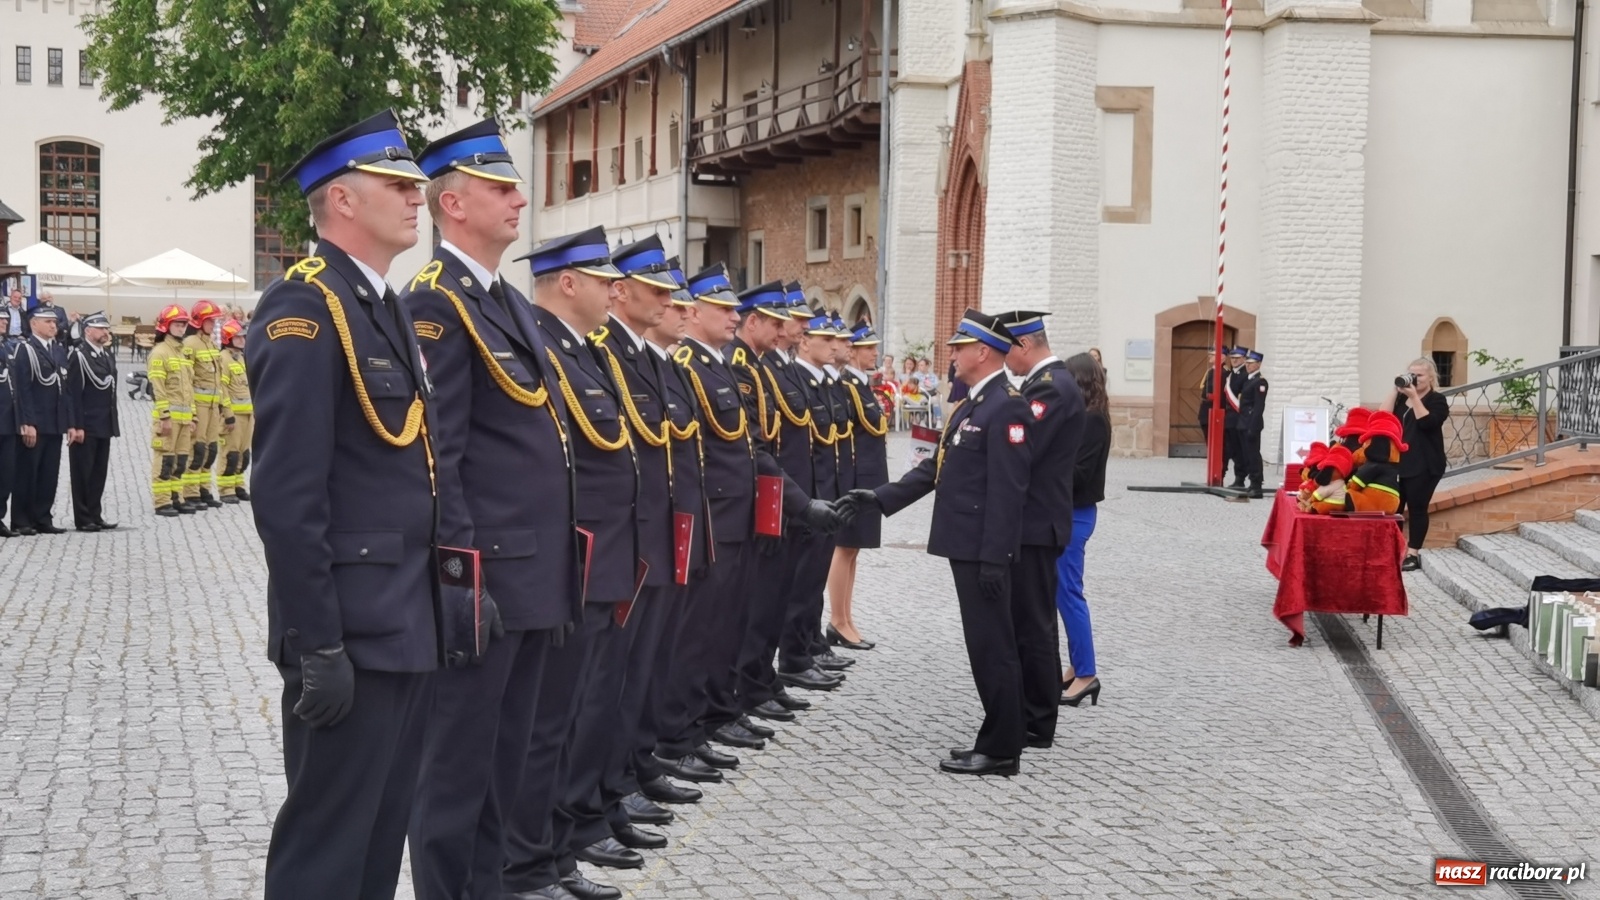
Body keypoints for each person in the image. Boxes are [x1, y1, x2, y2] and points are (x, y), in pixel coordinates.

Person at [249, 108, 446, 900]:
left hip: (404, 622)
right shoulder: (304, 309)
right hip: (350, 635)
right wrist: (318, 644)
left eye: (416, 185)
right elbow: (287, 496)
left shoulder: (384, 305)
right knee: (324, 854)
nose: (417, 198)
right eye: (396, 185)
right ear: (341, 201)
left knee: (375, 847)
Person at [401, 118, 575, 900]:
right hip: (489, 584)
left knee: (505, 768)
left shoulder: (501, 299)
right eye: (501, 188)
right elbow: (442, 455)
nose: (520, 199)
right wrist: (462, 584)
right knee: (455, 778)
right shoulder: (436, 303)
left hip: (535, 578)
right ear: (452, 203)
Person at [501, 225, 637, 900]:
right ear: (568, 283)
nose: (617, 292)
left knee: (567, 718)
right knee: (545, 725)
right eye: (605, 280)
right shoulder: (544, 349)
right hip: (569, 565)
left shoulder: (578, 352)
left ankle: (551, 853)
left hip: (596, 563)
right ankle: (526, 865)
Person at [846, 309, 1033, 777]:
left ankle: (1002, 748)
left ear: (982, 352)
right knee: (982, 643)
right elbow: (938, 468)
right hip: (965, 544)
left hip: (981, 550)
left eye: (959, 347)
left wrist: (995, 558)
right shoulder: (973, 403)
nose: (951, 354)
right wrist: (880, 499)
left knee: (993, 645)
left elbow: (1009, 491)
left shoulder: (1005, 405)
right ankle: (995, 738)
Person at [994, 309, 1085, 751]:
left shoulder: (1050, 388)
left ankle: (1037, 719)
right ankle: (1033, 712)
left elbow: (1024, 449)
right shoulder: (1043, 384)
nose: (1003, 358)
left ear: (1025, 345)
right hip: (1034, 523)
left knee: (1033, 624)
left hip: (1035, 525)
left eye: (1006, 348)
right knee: (1031, 620)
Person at [826, 319, 889, 650]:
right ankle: (837, 620)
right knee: (845, 546)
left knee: (855, 550)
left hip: (870, 475)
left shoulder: (863, 386)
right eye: (869, 348)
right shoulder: (848, 386)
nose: (874, 353)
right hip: (855, 477)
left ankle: (846, 617)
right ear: (852, 351)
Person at [1055, 352, 1111, 708]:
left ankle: (1087, 673)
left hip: (1075, 514)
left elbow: (1080, 474)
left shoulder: (1092, 422)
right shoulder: (1084, 417)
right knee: (1061, 593)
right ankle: (1077, 665)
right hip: (1068, 512)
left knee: (1069, 594)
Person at [9, 306, 71, 535]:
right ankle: (22, 519)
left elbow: (66, 389)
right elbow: (22, 389)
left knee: (49, 473)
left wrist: (69, 422)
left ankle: (42, 517)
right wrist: (27, 422)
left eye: (54, 322)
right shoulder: (25, 350)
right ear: (34, 323)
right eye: (47, 322)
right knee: (27, 472)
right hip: (35, 421)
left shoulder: (58, 350)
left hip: (54, 422)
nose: (53, 326)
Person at [1391, 357, 1450, 571]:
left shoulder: (1437, 400)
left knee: (1417, 508)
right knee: (1393, 508)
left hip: (1425, 463)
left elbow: (1426, 423)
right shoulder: (1401, 398)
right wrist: (1396, 388)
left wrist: (1414, 396)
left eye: (1420, 375)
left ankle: (1413, 553)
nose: (1414, 379)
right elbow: (1382, 414)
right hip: (1399, 461)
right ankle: (1394, 548)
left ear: (1431, 377)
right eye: (1411, 374)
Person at [66, 311, 119, 531]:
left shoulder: (107, 356)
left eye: (106, 328)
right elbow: (73, 394)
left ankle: (95, 514)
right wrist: (75, 425)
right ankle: (83, 517)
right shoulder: (79, 356)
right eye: (101, 328)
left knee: (99, 472)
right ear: (88, 331)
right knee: (82, 473)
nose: (105, 332)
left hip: (104, 423)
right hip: (85, 424)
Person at [182, 299, 230, 509]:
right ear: (200, 322)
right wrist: (191, 411)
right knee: (197, 448)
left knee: (210, 449)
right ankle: (190, 493)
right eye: (210, 321)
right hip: (199, 406)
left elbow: (218, 379)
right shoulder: (190, 344)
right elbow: (186, 380)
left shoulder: (210, 343)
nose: (214, 324)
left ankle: (204, 489)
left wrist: (223, 407)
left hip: (212, 406)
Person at [216, 319, 253, 503]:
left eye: (243, 336)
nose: (242, 339)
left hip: (248, 414)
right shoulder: (223, 358)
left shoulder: (241, 358)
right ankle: (226, 489)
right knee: (230, 453)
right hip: (233, 416)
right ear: (228, 338)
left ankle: (239, 485)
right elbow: (222, 388)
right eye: (238, 337)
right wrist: (228, 414)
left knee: (243, 454)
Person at [1235, 350, 1269, 499]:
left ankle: (1256, 485)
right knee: (1247, 455)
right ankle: (1251, 484)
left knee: (1253, 455)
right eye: (1247, 363)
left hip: (1251, 424)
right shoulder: (1249, 380)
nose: (1248, 366)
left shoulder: (1260, 382)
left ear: (1259, 364)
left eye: (1251, 363)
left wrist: (1253, 427)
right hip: (1243, 423)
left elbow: (1258, 407)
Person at [0, 319, 16, 537]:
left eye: (5, 318)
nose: (3, 322)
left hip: (8, 421)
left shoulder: (9, 348)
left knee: (6, 474)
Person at [916, 357, 943, 427]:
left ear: (927, 366)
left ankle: (938, 421)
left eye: (922, 365)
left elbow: (936, 384)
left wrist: (930, 385)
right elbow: (915, 384)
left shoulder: (932, 375)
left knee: (935, 400)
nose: (920, 367)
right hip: (920, 394)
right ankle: (922, 420)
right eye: (919, 365)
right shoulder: (916, 375)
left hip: (931, 394)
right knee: (923, 400)